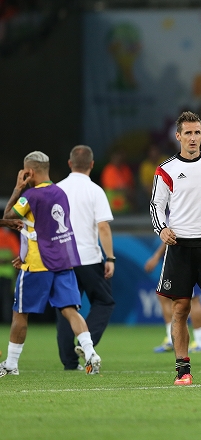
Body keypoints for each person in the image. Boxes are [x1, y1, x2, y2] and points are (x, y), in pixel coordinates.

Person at [0, 151, 102, 377]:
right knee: (70, 310)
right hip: (63, 261)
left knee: (20, 313)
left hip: (37, 264)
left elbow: (8, 216)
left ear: (29, 172)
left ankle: (11, 364)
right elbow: (44, 227)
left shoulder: (31, 196)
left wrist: (18, 188)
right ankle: (90, 352)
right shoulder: (60, 192)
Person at [150, 112, 201, 386]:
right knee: (180, 309)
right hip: (181, 246)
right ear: (178, 136)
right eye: (188, 133)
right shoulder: (166, 170)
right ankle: (182, 369)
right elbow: (156, 207)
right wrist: (162, 229)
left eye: (197, 133)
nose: (193, 138)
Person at [55, 145, 116, 371]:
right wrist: (110, 257)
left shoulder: (56, 190)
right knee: (104, 301)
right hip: (88, 258)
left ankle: (70, 363)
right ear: (91, 165)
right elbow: (103, 227)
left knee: (66, 308)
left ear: (70, 164)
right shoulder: (95, 191)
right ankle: (86, 342)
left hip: (61, 259)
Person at [144, 243, 201, 354]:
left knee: (193, 298)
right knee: (164, 295)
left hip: (185, 253)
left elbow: (171, 233)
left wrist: (156, 256)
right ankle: (171, 338)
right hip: (181, 254)